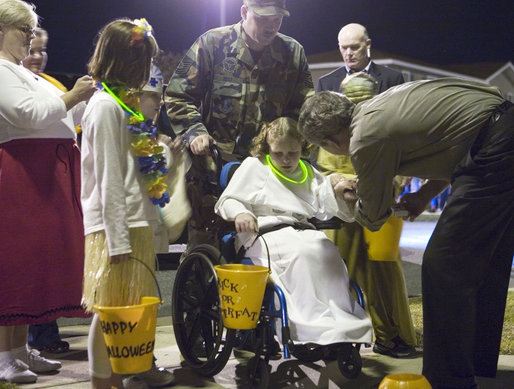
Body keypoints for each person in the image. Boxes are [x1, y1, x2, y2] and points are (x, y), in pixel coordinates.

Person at [297, 78, 514, 389]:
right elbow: (460, 143)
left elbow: (373, 218)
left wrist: (351, 198)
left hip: (494, 148)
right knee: (485, 260)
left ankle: (448, 381)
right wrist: (424, 195)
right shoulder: (381, 106)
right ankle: (475, 364)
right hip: (500, 133)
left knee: (443, 265)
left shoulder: (364, 137)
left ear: (330, 141)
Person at [165, 0, 314, 248]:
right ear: (245, 12)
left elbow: (303, 111)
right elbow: (178, 96)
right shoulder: (212, 44)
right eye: (263, 18)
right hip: (213, 169)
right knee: (205, 247)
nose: (271, 25)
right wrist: (195, 133)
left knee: (264, 247)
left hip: (267, 171)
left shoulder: (292, 53)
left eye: (277, 18)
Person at [0, 0, 96, 384]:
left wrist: (87, 101)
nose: (30, 38)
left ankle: (20, 351)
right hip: (22, 175)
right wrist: (73, 95)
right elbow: (28, 115)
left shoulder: (25, 74)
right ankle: (4, 357)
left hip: (45, 174)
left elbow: (61, 118)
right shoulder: (2, 72)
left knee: (34, 265)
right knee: (15, 266)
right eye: (23, 31)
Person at [214, 117, 373, 346]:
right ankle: (308, 326)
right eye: (278, 154)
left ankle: (340, 322)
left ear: (302, 149)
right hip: (264, 232)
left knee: (328, 252)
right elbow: (228, 199)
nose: (287, 160)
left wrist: (338, 188)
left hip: (302, 230)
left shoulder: (306, 171)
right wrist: (241, 213)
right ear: (268, 147)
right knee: (304, 253)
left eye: (293, 153)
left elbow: (323, 198)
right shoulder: (254, 166)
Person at [80, 18, 175, 389]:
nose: (149, 71)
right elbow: (108, 181)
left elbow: (136, 173)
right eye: (145, 61)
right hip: (114, 229)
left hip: (134, 223)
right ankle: (103, 383)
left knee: (127, 309)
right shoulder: (105, 107)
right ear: (125, 61)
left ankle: (126, 371)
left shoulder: (126, 103)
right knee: (109, 313)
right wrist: (118, 241)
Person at [318, 48, 417, 358]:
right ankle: (362, 334)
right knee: (349, 272)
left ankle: (392, 334)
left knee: (384, 272)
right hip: (347, 216)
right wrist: (343, 183)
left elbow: (400, 169)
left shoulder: (383, 128)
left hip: (379, 213)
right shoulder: (339, 133)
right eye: (354, 97)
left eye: (365, 96)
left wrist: (385, 184)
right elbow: (325, 172)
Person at [21, 26, 71, 355]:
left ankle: (43, 333)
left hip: (50, 181)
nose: (38, 57)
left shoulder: (52, 85)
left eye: (43, 50)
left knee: (44, 260)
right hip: (22, 181)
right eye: (32, 49)